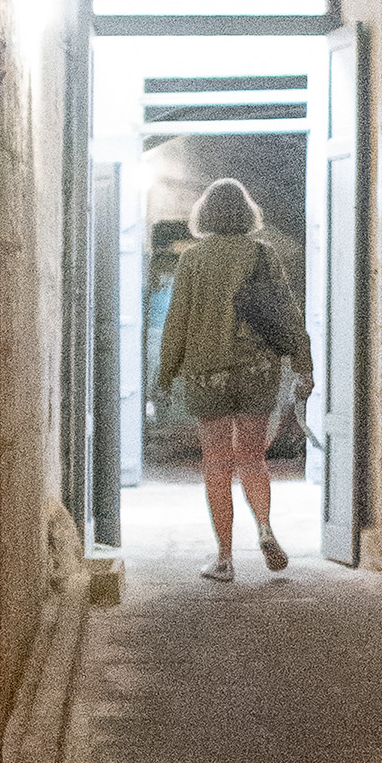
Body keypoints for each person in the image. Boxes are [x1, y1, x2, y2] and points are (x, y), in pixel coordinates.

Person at [152, 180, 313, 581]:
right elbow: (287, 314)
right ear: (247, 213)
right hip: (258, 371)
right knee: (253, 459)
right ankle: (264, 528)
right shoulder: (263, 254)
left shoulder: (192, 260)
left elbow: (177, 324)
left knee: (217, 463)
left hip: (208, 376)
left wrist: (165, 374)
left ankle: (224, 559)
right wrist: (303, 364)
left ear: (204, 214)